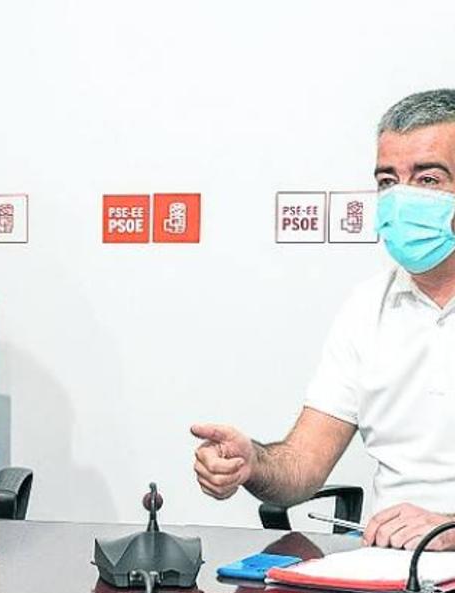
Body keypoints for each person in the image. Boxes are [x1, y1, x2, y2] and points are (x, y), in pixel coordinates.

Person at [192, 89, 455, 551]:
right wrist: (252, 462)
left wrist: (449, 528)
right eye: (388, 181)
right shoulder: (367, 307)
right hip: (392, 572)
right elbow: (302, 466)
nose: (401, 199)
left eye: (428, 179)